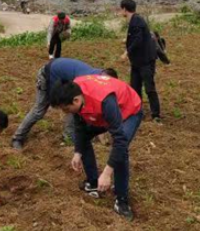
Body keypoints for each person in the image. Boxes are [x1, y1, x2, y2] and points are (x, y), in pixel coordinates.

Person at [50, 75, 142, 221]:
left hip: (128, 111)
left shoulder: (105, 101)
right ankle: (93, 182)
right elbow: (80, 126)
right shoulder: (75, 90)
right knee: (83, 136)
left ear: (76, 100)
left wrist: (106, 173)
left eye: (66, 109)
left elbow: (120, 141)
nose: (65, 113)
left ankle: (121, 199)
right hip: (101, 114)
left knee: (121, 150)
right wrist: (78, 152)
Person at [11, 58, 118, 150]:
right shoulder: (86, 80)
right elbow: (75, 106)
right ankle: (17, 137)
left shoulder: (99, 78)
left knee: (75, 107)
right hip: (47, 75)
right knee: (41, 110)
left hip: (62, 77)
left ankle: (70, 136)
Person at [119, 0, 161, 122]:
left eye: (121, 9)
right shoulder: (134, 20)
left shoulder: (136, 20)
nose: (120, 12)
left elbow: (138, 39)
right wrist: (126, 41)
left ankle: (156, 115)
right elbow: (138, 36)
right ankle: (137, 112)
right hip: (137, 61)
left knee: (149, 88)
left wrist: (126, 52)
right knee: (134, 87)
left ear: (125, 9)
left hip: (145, 61)